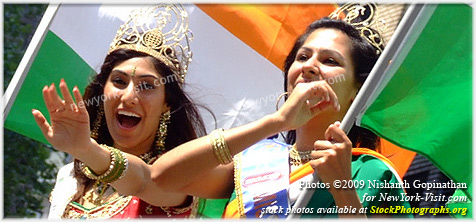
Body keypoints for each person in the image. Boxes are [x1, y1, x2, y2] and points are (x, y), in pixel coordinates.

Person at [32, 4, 336, 219]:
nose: (129, 96)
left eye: (147, 86)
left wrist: (86, 148)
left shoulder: (186, 177)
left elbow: (146, 180)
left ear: (167, 105)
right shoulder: (69, 179)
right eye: (119, 81)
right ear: (103, 91)